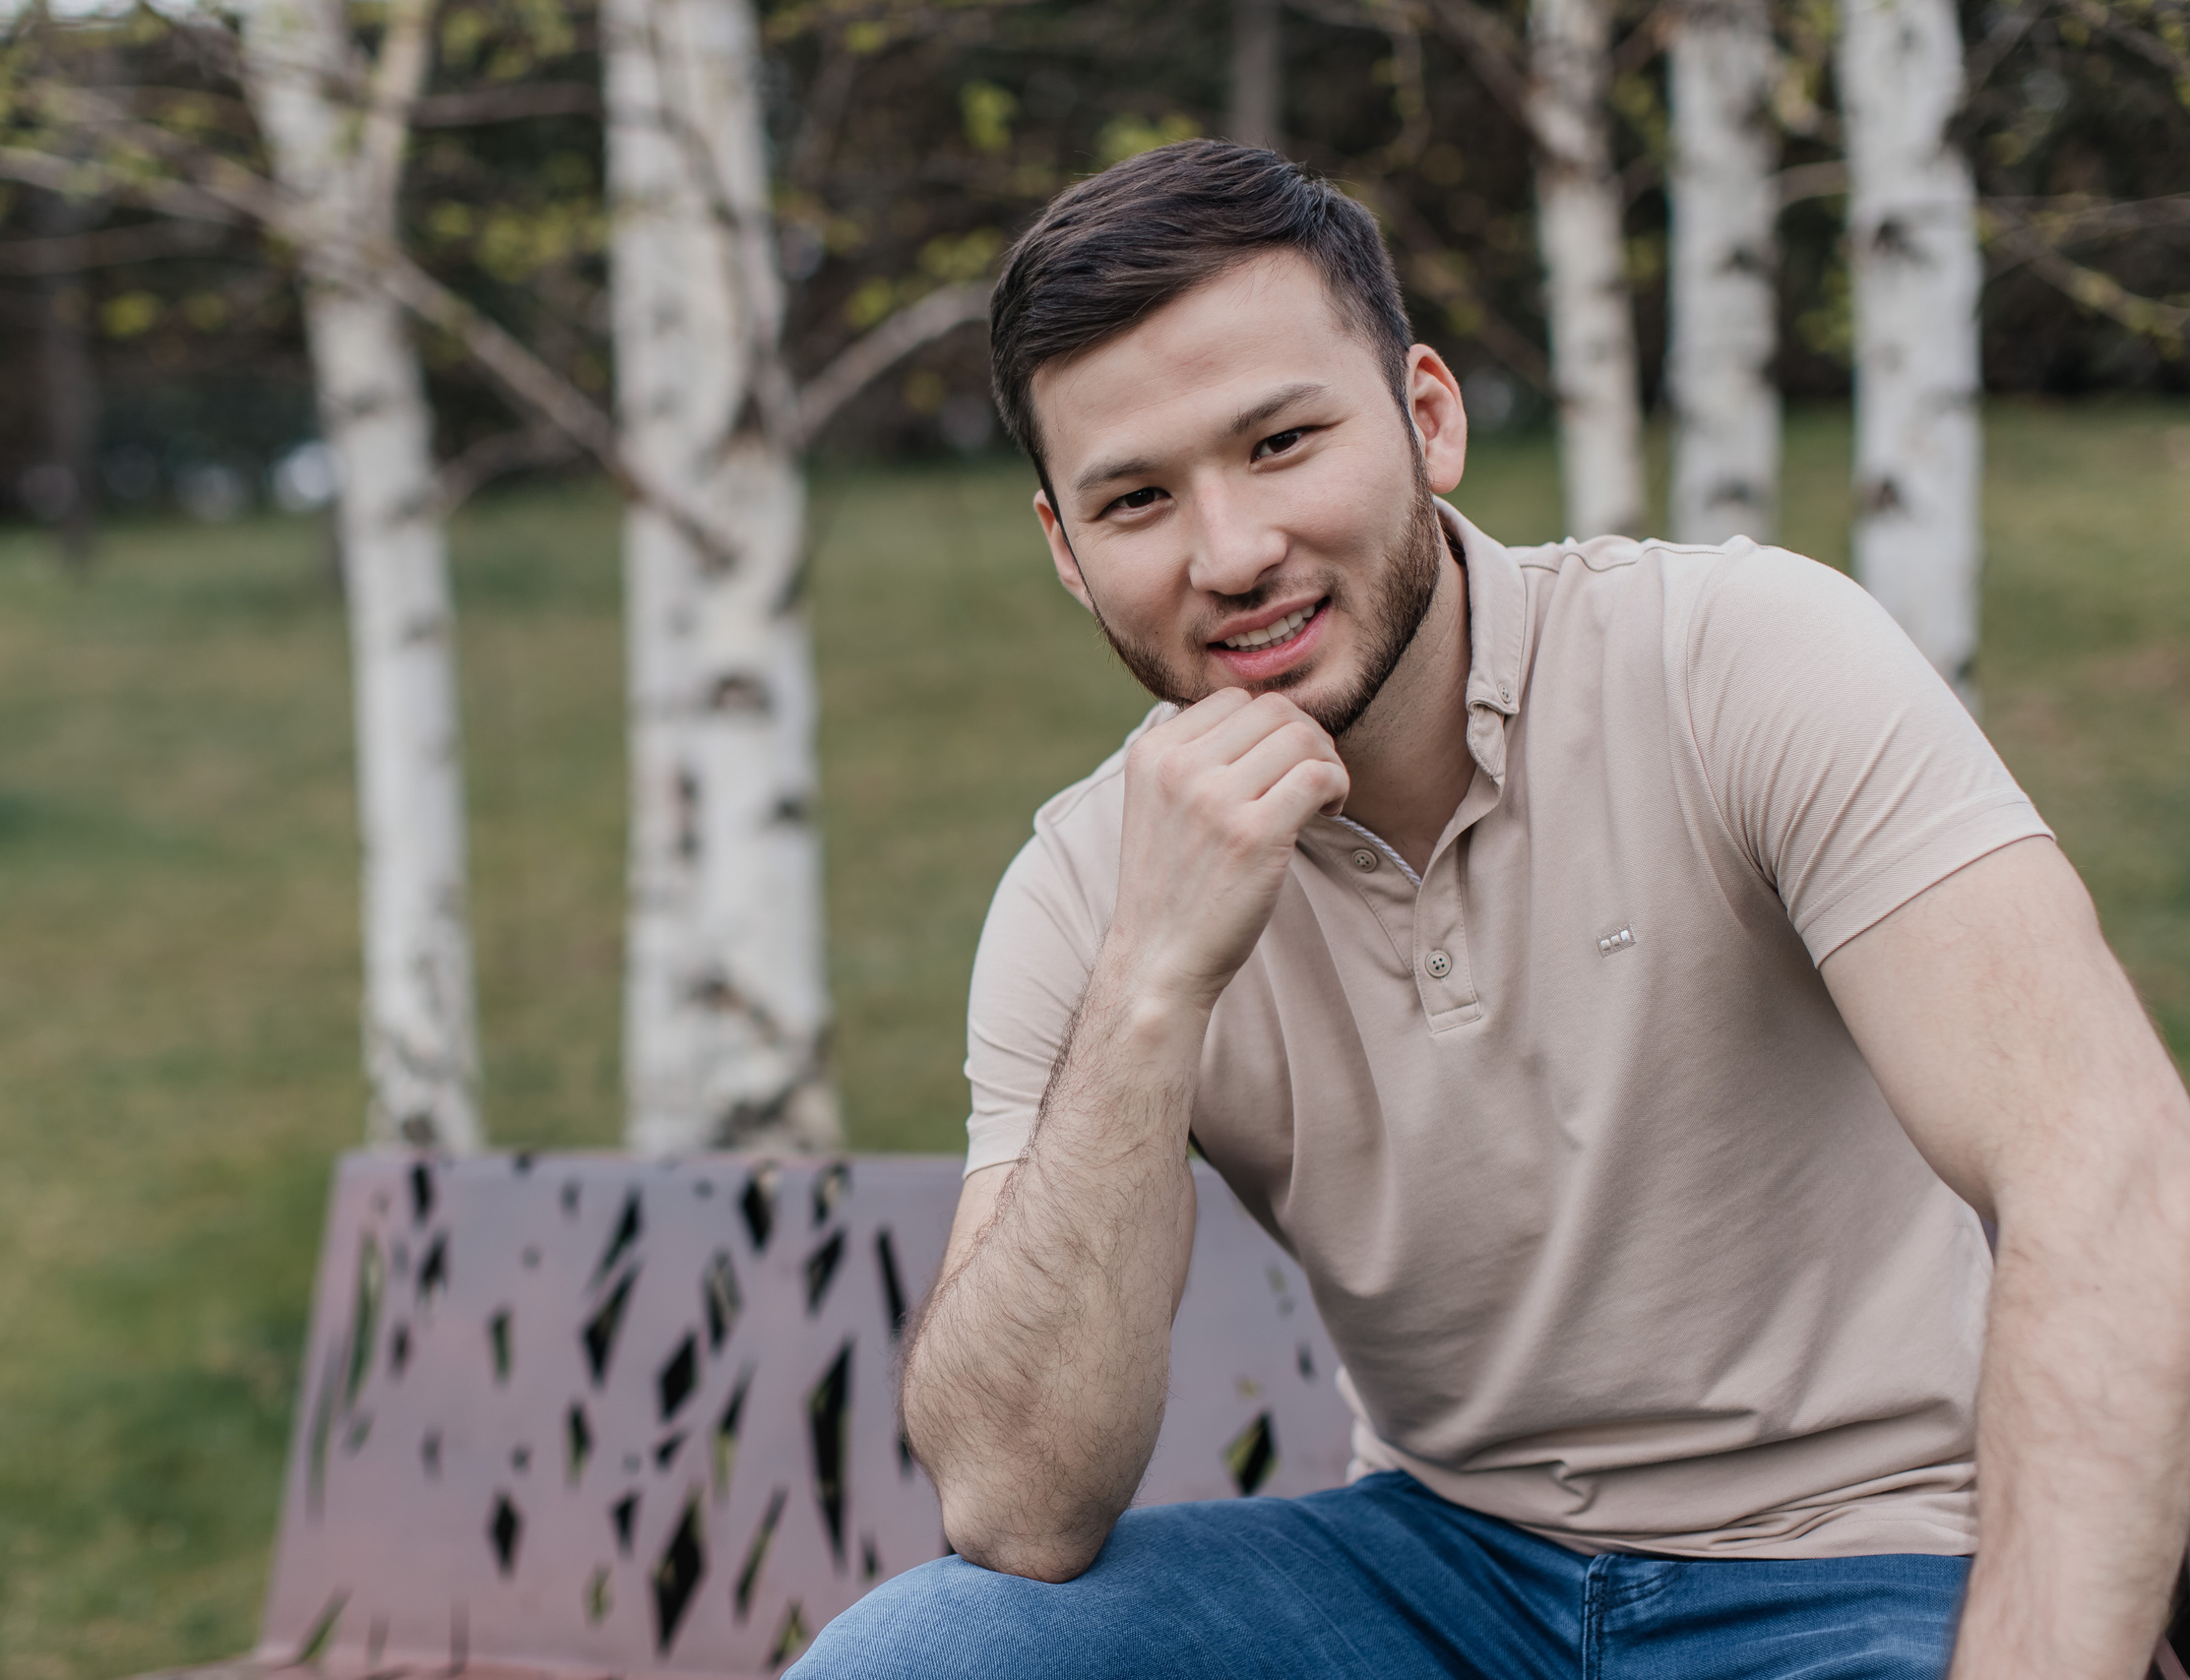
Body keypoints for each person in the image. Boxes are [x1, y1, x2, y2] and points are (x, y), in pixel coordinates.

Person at [786, 140, 2190, 1680]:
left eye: (1279, 442)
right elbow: (1013, 1503)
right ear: (1067, 552)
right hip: (1443, 1575)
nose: (1233, 552)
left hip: (1870, 1556)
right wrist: (1149, 986)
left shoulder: (1739, 659)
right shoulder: (1088, 889)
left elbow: (2110, 1177)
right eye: (1135, 498)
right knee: (923, 1660)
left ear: (1427, 418)